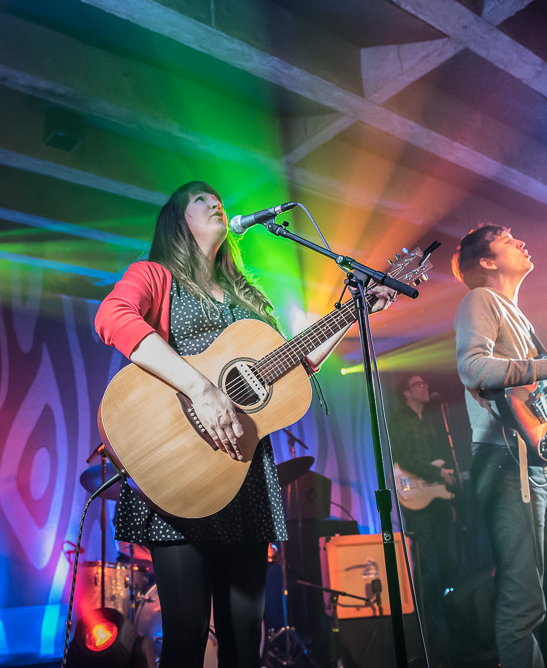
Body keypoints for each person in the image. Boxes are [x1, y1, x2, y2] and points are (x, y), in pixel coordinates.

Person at [94, 181, 397, 667]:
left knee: (244, 641)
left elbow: (296, 366)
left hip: (246, 476)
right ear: (177, 219)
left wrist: (352, 314)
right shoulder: (154, 275)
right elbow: (112, 317)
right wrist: (202, 389)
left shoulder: (249, 297)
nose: (216, 202)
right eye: (200, 199)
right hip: (179, 466)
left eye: (219, 198)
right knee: (187, 638)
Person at [452, 224, 547, 668]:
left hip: (535, 465)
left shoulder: (519, 317)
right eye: (508, 239)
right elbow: (474, 368)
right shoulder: (480, 301)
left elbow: (533, 406)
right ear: (486, 260)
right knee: (524, 603)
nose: (521, 241)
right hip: (504, 464)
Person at [390, 374, 460, 665]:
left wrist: (448, 490)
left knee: (450, 563)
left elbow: (442, 460)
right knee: (428, 569)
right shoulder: (398, 422)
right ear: (406, 393)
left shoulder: (434, 419)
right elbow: (404, 458)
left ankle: (455, 633)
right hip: (416, 501)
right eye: (418, 385)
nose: (425, 387)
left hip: (438, 501)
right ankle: (435, 639)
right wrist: (438, 475)